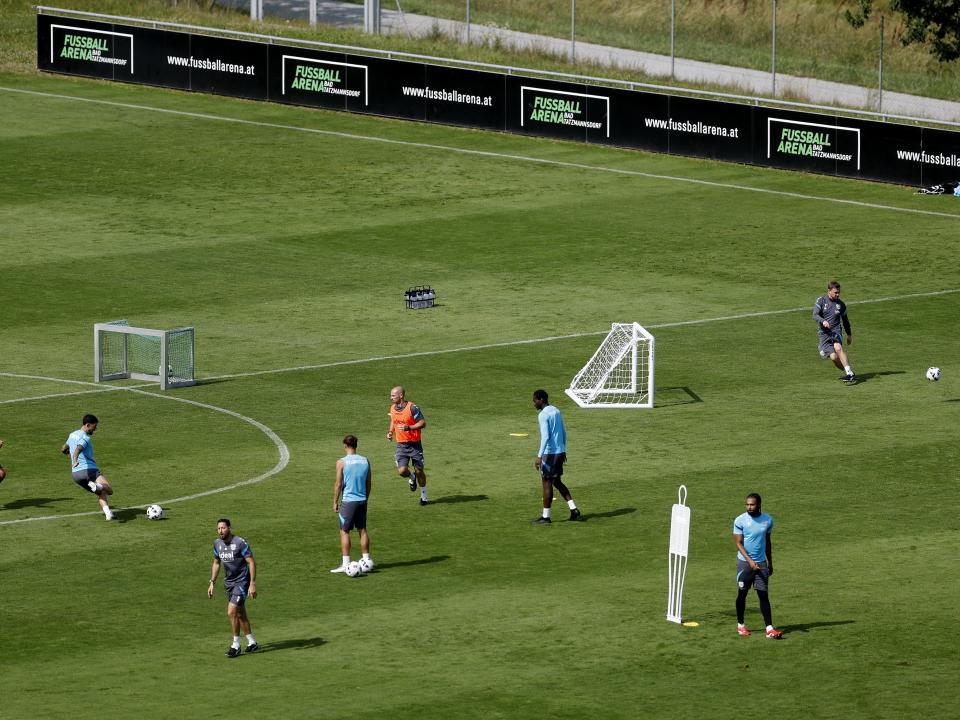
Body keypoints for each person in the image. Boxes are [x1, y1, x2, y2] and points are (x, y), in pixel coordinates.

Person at [733, 493, 783, 639]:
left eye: (752, 504)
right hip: (745, 564)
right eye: (747, 504)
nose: (749, 507)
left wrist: (770, 563)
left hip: (761, 564)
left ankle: (769, 629)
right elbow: (738, 543)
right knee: (742, 594)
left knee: (763, 595)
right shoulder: (740, 520)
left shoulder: (767, 520)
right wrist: (749, 561)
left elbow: (767, 542)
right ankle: (740, 625)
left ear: (759, 504)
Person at [208, 518, 258, 657]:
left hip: (242, 582)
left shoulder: (240, 543)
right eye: (218, 528)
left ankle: (235, 645)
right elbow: (216, 563)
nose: (220, 531)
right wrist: (212, 582)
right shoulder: (217, 544)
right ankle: (252, 642)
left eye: (223, 528)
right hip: (229, 583)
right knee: (240, 614)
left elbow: (251, 562)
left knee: (231, 612)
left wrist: (252, 584)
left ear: (229, 528)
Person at [531, 389, 581, 524]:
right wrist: (563, 449)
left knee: (547, 483)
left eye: (535, 400)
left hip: (550, 454)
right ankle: (574, 509)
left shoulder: (543, 415)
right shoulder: (556, 410)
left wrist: (539, 456)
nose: (534, 403)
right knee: (557, 482)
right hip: (559, 452)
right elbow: (564, 431)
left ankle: (546, 517)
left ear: (541, 400)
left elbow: (546, 437)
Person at [330, 434, 374, 573]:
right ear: (356, 445)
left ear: (345, 446)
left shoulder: (341, 462)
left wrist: (335, 502)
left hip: (348, 501)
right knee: (362, 529)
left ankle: (345, 563)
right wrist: (365, 498)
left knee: (344, 531)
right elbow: (368, 483)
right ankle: (366, 560)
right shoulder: (365, 461)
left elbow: (338, 484)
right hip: (362, 500)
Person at [60, 414, 115, 520]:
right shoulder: (85, 437)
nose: (95, 430)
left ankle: (108, 514)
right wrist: (75, 459)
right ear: (88, 425)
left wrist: (67, 452)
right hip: (88, 470)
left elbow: (63, 449)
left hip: (76, 475)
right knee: (109, 489)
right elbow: (78, 449)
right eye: (94, 427)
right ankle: (98, 486)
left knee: (100, 492)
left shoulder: (72, 434)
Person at [387, 385, 428, 506]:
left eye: (393, 395)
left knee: (419, 471)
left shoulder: (412, 408)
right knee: (402, 471)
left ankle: (424, 496)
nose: (391, 398)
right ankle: (412, 477)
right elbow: (393, 421)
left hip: (415, 445)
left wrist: (408, 427)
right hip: (401, 445)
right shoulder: (393, 408)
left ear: (401, 395)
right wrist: (390, 432)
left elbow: (423, 423)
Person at [813, 280, 856, 383]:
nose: (838, 294)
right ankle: (849, 372)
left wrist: (849, 334)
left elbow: (845, 321)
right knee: (833, 357)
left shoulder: (841, 305)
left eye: (839, 292)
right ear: (829, 291)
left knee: (838, 347)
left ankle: (849, 373)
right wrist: (823, 321)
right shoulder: (821, 300)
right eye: (835, 292)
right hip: (824, 333)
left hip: (836, 331)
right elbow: (815, 315)